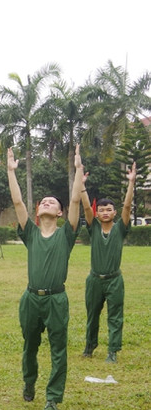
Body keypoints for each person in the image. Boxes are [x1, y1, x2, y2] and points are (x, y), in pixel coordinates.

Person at [7, 144, 84, 410]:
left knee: (58, 350)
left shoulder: (66, 235)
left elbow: (76, 201)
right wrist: (11, 171)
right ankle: (29, 384)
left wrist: (78, 169)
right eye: (43, 202)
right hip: (31, 299)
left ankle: (52, 397)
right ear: (38, 211)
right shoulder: (30, 233)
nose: (46, 203)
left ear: (60, 213)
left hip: (56, 300)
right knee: (30, 346)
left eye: (52, 202)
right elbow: (18, 202)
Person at [80, 156, 135, 363]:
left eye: (109, 209)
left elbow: (127, 207)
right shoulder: (93, 228)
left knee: (115, 315)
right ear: (97, 213)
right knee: (92, 314)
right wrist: (82, 186)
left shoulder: (120, 228)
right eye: (101, 210)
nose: (105, 212)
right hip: (94, 279)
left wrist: (131, 182)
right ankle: (89, 346)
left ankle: (112, 350)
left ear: (114, 212)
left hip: (114, 280)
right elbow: (86, 208)